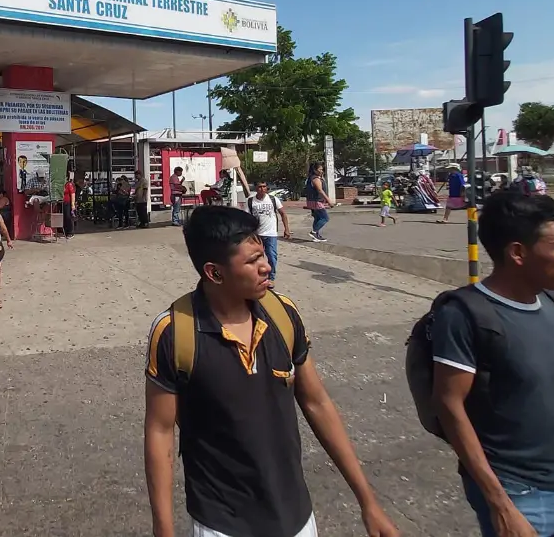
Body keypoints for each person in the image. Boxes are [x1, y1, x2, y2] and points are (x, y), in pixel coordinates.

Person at [144, 205, 400, 537]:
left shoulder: (283, 314)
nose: (266, 267)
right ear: (215, 273)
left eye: (263, 255)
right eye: (252, 261)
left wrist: (368, 500)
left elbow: (317, 403)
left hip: (297, 518)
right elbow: (160, 432)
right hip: (222, 524)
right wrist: (163, 530)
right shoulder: (175, 332)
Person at [431, 192, 554, 537]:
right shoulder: (464, 315)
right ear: (517, 252)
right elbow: (448, 406)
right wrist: (499, 503)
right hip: (517, 493)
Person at [236, 168, 291, 283]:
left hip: (271, 233)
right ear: (256, 188)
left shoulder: (273, 199)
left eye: (264, 186)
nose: (262, 189)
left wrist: (287, 229)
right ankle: (258, 276)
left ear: (267, 188)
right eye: (260, 187)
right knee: (256, 257)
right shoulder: (251, 201)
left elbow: (283, 214)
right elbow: (246, 218)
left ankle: (271, 277)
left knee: (272, 256)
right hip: (256, 235)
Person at [304, 162, 334, 243]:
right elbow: (320, 190)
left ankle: (316, 235)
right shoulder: (315, 179)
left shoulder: (313, 178)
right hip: (316, 202)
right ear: (315, 170)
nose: (321, 171)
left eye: (322, 169)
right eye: (319, 169)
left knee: (317, 218)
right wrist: (328, 200)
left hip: (312, 201)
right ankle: (313, 232)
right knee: (325, 218)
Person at [63, 175, 77, 239]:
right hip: (62, 202)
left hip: (68, 203)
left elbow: (72, 194)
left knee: (69, 217)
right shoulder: (61, 185)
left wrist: (72, 204)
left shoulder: (69, 184)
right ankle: (65, 232)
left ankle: (71, 232)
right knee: (65, 217)